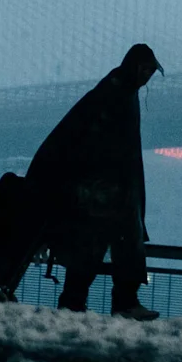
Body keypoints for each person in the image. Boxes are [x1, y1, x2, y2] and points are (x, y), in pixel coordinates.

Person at [23, 43, 160, 319]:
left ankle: (87, 302)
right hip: (102, 192)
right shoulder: (115, 93)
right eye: (144, 70)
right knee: (102, 245)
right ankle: (111, 303)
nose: (147, 76)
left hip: (108, 192)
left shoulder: (119, 90)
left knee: (105, 245)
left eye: (150, 72)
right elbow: (94, 141)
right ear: (133, 66)